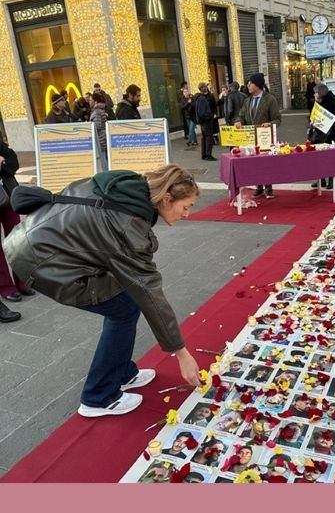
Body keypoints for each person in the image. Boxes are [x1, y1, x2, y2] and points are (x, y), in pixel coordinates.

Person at [3, 164, 204, 417]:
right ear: (166, 198)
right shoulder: (127, 226)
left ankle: (121, 372)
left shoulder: (127, 185)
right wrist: (181, 353)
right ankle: (98, 396)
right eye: (186, 207)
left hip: (37, 241)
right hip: (41, 262)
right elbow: (150, 292)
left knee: (127, 302)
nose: (187, 214)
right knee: (124, 310)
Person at [237, 73, 282, 198]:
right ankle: (259, 187)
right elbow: (241, 115)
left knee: (266, 163)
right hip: (251, 137)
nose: (248, 85)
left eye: (250, 83)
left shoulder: (269, 99)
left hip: (265, 137)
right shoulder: (247, 101)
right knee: (254, 163)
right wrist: (239, 121)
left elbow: (277, 119)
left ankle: (268, 187)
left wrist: (270, 124)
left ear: (257, 85)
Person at [0, 138, 29, 320]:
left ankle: (22, 281)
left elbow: (13, 162)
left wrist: (3, 163)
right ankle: (6, 287)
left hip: (8, 196)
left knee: (17, 239)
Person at [307, 83, 335, 190]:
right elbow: (314, 113)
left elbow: (328, 118)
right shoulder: (319, 101)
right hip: (319, 134)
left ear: (320, 94)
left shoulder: (330, 100)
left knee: (329, 157)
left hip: (330, 134)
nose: (314, 95)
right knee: (319, 157)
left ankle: (331, 180)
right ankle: (321, 179)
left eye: (316, 93)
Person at [194, 83, 217, 161]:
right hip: (206, 121)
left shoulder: (199, 98)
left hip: (203, 121)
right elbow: (201, 112)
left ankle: (204, 154)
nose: (206, 88)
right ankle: (208, 154)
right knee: (208, 137)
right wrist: (209, 116)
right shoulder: (201, 98)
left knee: (204, 137)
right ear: (202, 88)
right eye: (205, 87)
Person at [90, 90, 112, 172]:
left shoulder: (96, 112)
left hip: (100, 139)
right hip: (104, 137)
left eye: (91, 100)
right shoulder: (100, 110)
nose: (89, 102)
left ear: (95, 101)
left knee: (103, 159)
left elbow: (97, 126)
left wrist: (90, 127)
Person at [178, 82, 198, 148]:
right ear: (183, 93)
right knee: (191, 129)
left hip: (193, 116)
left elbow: (194, 105)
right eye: (185, 92)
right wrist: (188, 103)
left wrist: (190, 103)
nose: (186, 93)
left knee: (191, 129)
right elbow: (183, 107)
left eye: (187, 91)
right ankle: (194, 141)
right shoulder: (182, 99)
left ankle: (190, 141)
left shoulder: (191, 97)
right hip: (187, 116)